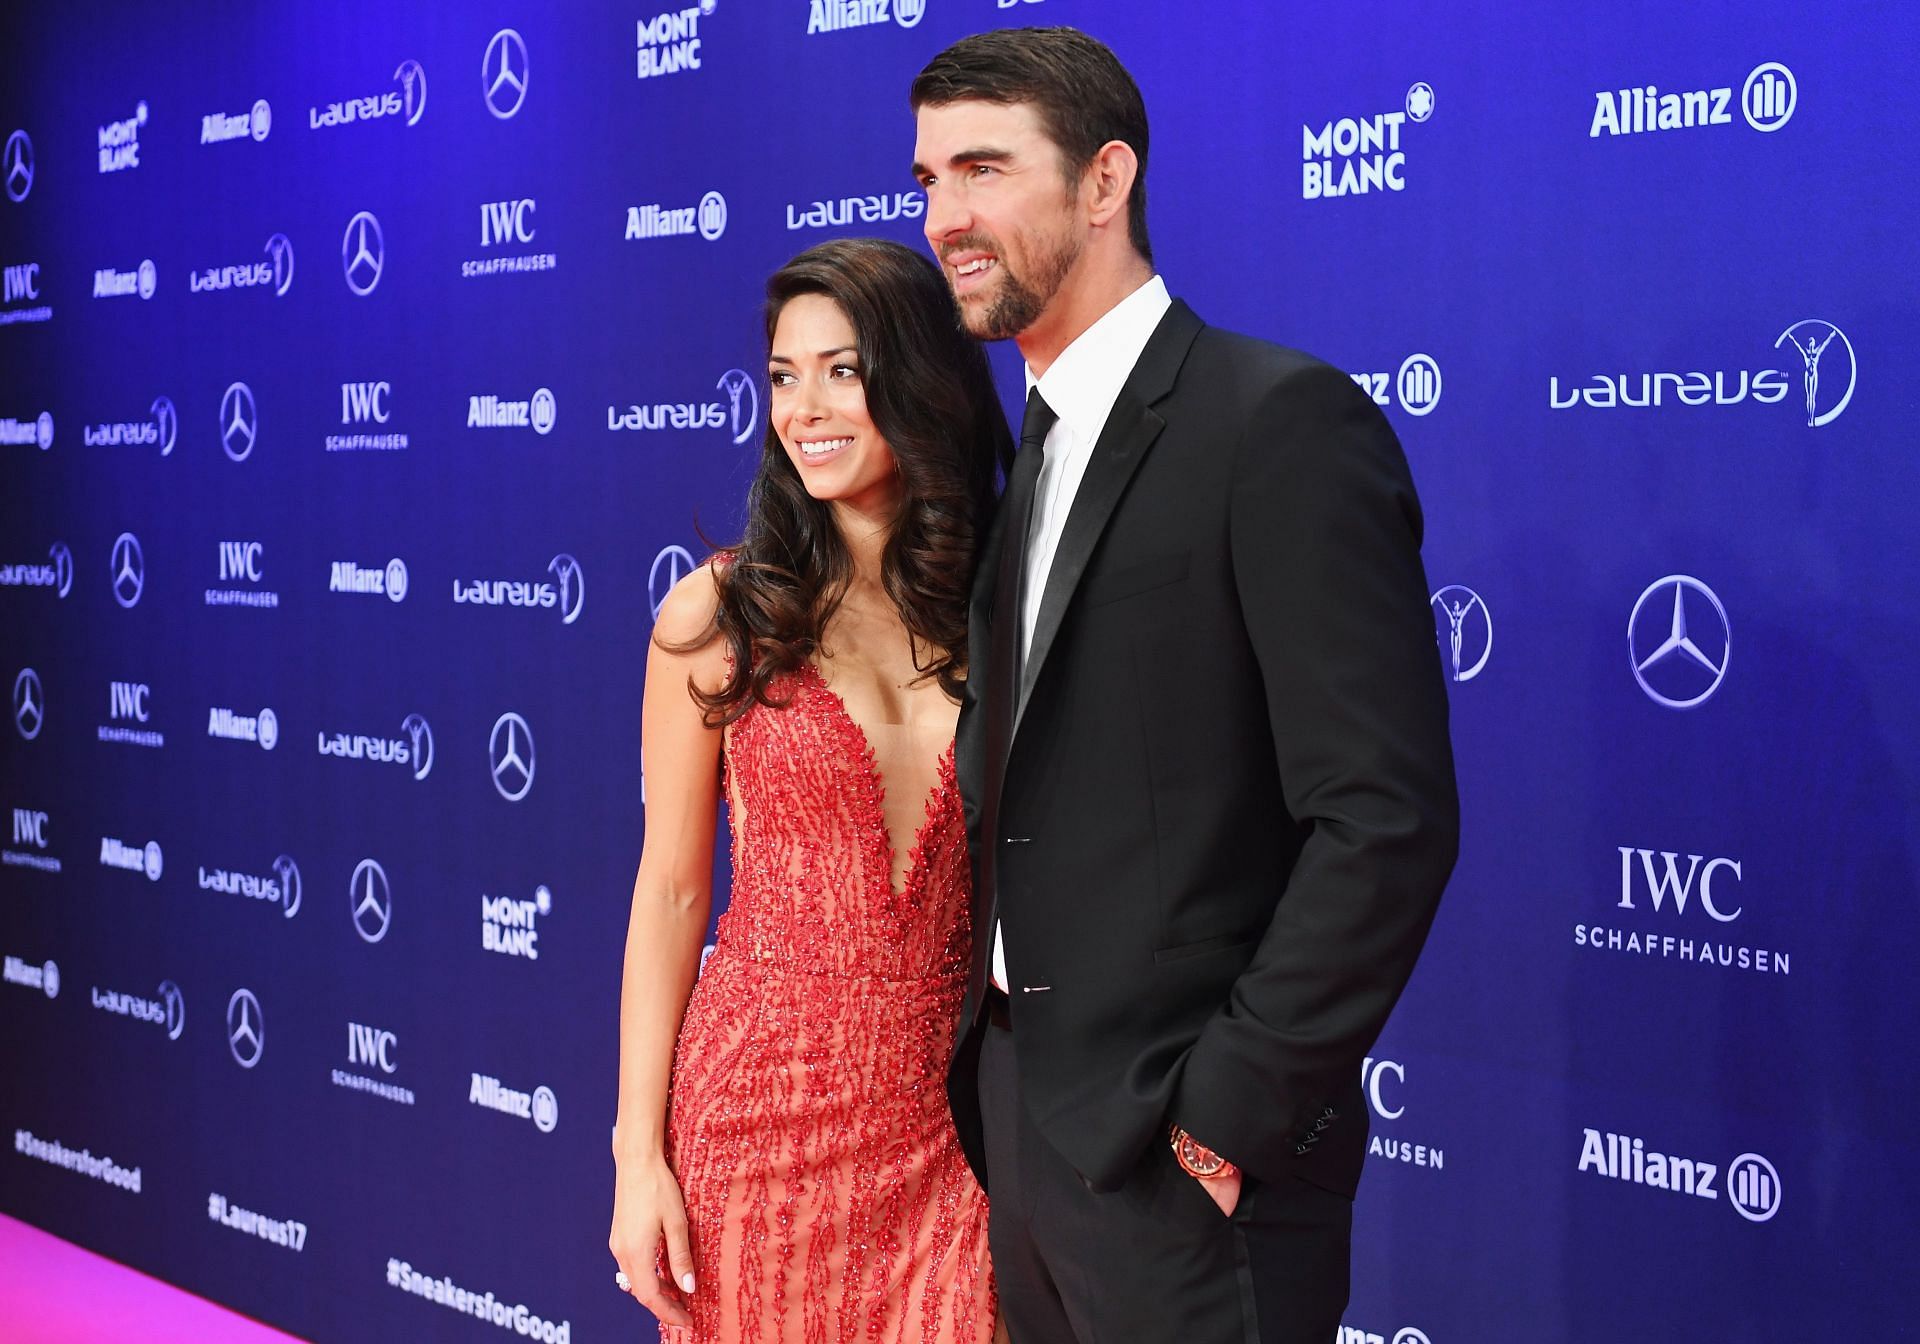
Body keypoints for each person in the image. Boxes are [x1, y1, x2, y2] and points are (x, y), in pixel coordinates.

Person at [911, 27, 1460, 1344]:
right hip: (1029, 1148)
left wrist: (1227, 1114)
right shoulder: (1021, 463)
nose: (945, 217)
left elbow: (1384, 817)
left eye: (983, 169)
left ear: (1106, 182)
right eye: (927, 180)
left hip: (1190, 1170)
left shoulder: (1275, 423)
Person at [608, 237, 1012, 1343]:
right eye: (784, 376)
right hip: (758, 1128)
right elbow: (673, 894)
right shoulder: (717, 616)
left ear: (918, 379)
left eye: (842, 370)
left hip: (954, 1135)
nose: (805, 407)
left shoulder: (1004, 613)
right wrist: (636, 1155)